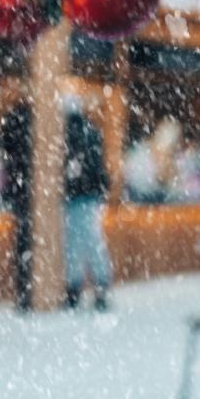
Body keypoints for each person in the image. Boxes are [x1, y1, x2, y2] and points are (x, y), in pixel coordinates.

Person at [63, 110, 112, 310]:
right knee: (92, 243)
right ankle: (99, 287)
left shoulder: (69, 135)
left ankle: (76, 289)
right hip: (89, 197)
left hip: (77, 198)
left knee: (75, 246)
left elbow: (78, 168)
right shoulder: (92, 133)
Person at [0, 103, 33, 312]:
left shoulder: (10, 125)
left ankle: (24, 293)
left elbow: (4, 152)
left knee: (23, 244)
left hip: (20, 193)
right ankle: (28, 292)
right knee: (28, 243)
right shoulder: (32, 124)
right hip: (30, 192)